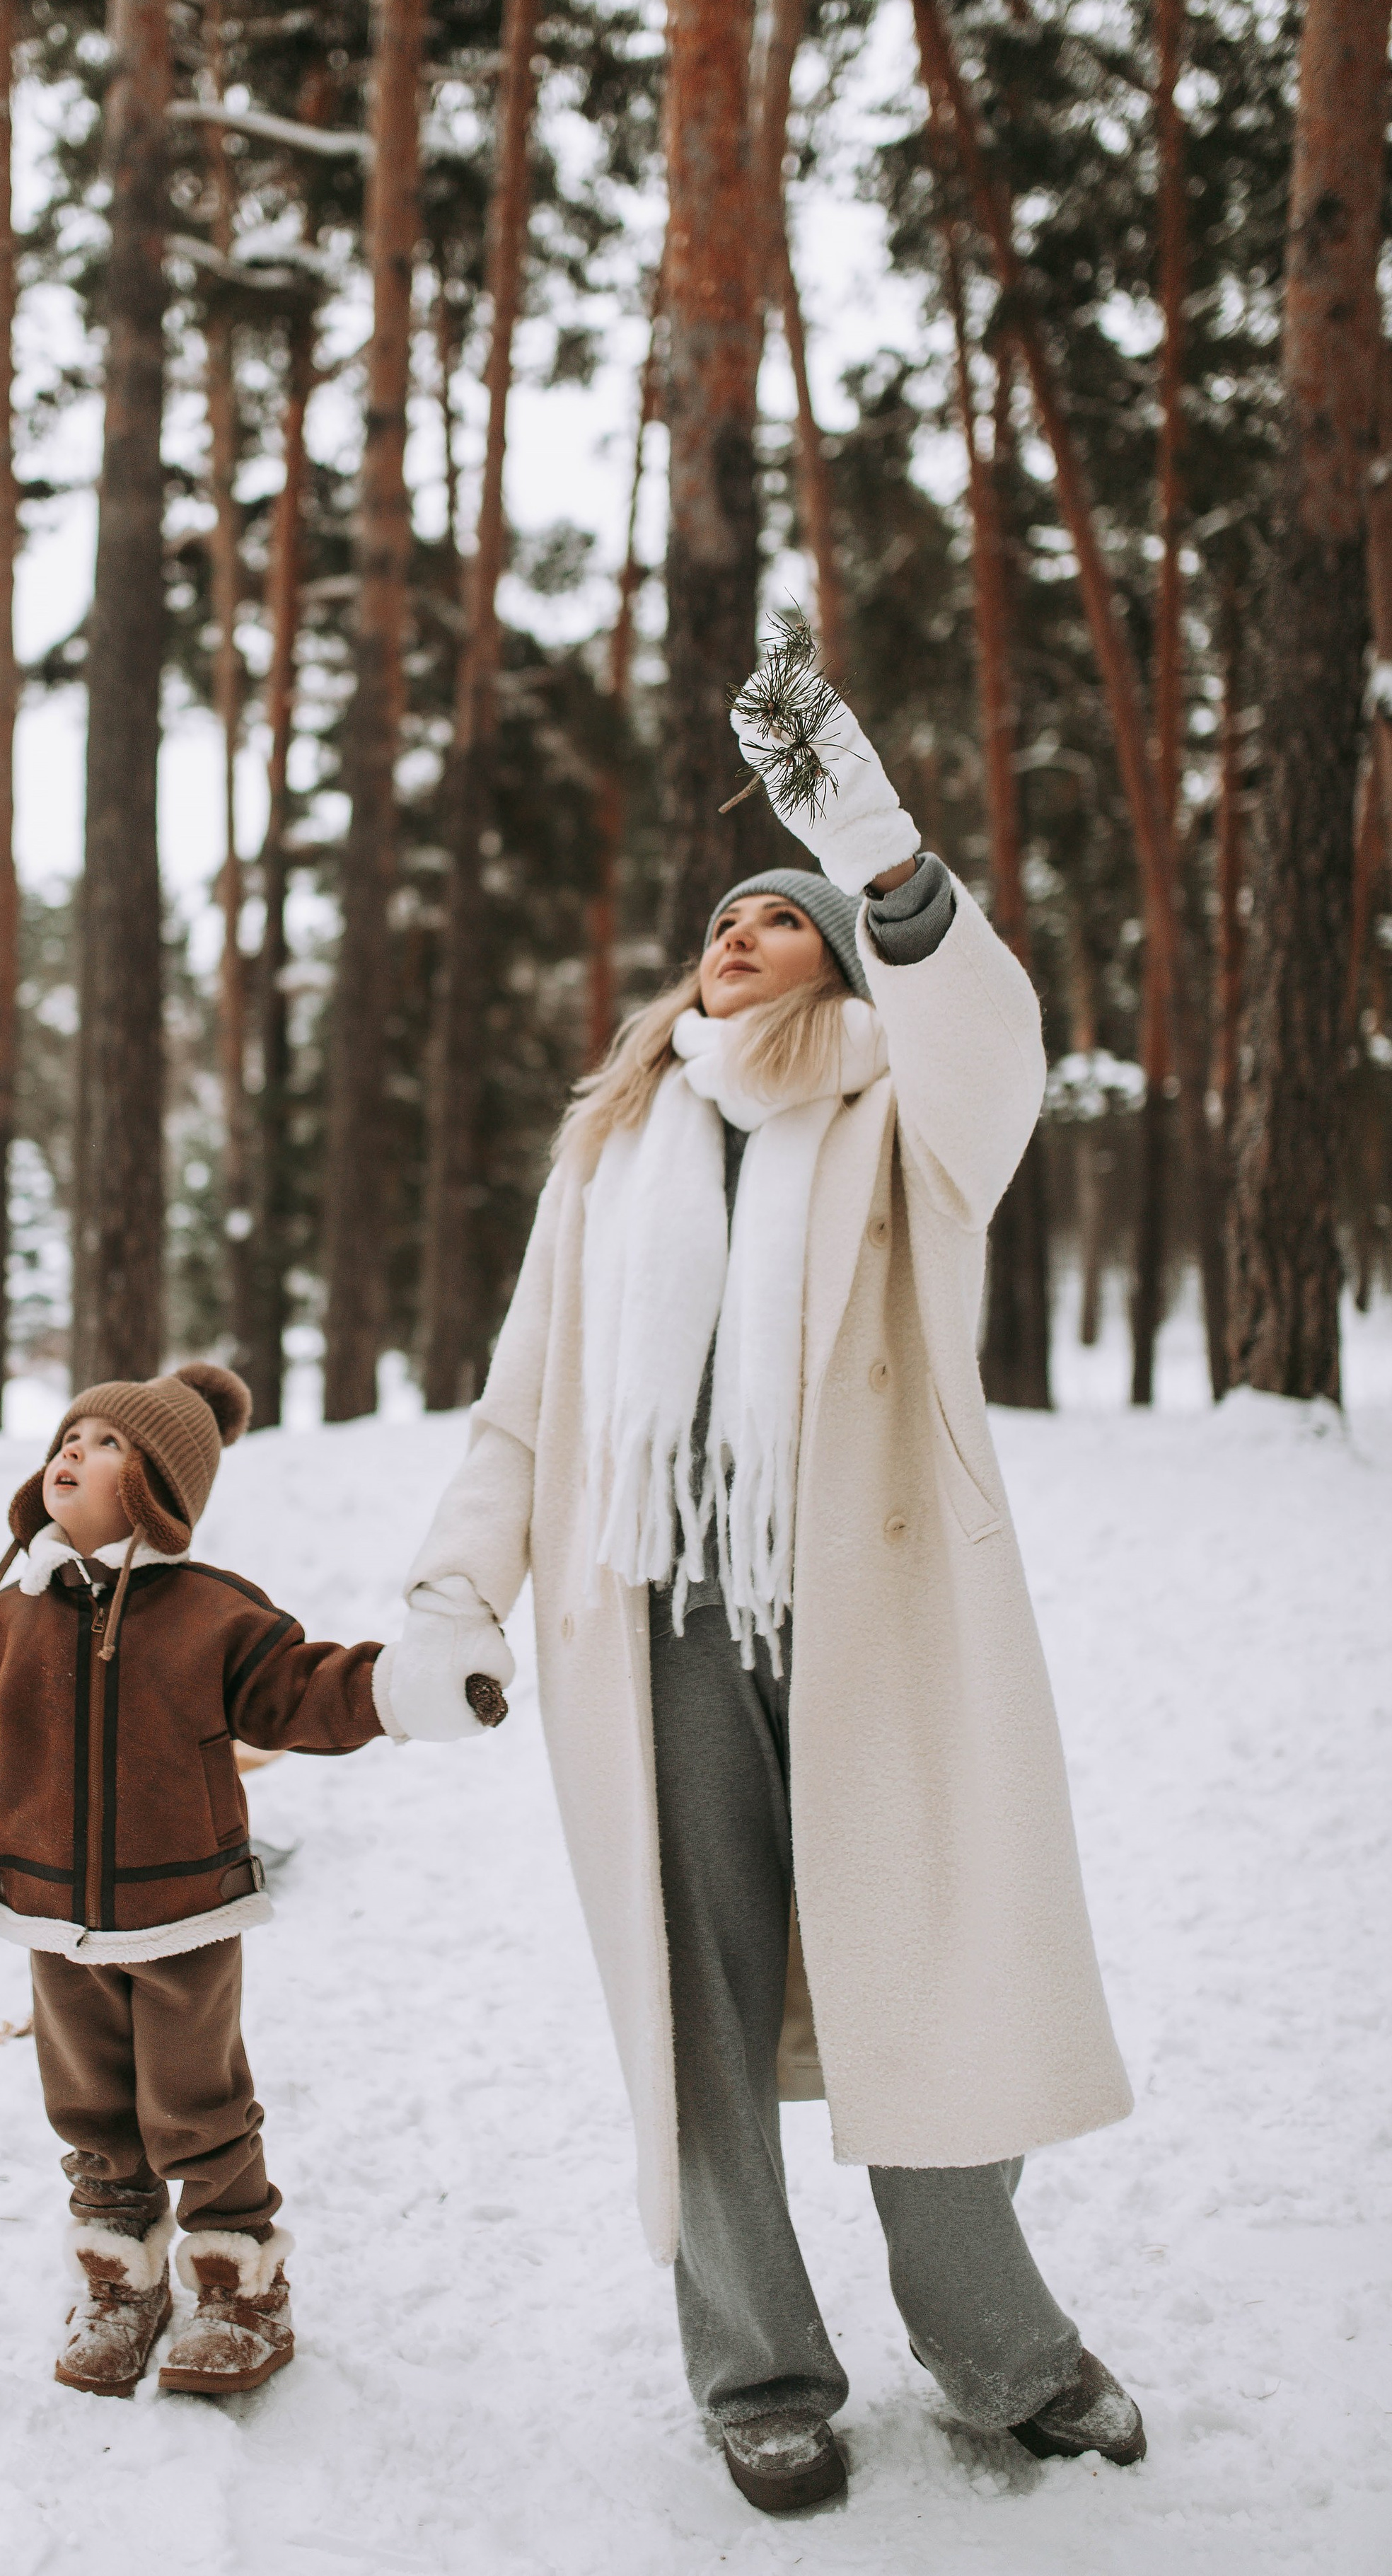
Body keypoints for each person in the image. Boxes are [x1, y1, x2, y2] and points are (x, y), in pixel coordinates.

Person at [391, 684, 1144, 2512]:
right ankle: (757, 2371)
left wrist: (877, 849)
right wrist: (448, 1598)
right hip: (656, 1618)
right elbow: (523, 1404)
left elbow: (994, 1040)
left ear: (836, 963)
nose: (739, 932)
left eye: (778, 912)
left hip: (873, 1620)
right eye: (725, 917)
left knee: (925, 1977)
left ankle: (1001, 2348)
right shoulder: (611, 1156)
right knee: (699, 2006)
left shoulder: (908, 1119)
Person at [0, 1361, 506, 2400]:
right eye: (69, 1437)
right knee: (91, 2115)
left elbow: (305, 1689)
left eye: (106, 1442)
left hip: (184, 1915)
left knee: (197, 2105)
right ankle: (120, 2279)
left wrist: (414, 1687)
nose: (73, 1450)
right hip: (49, 1922)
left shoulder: (209, 1614)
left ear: (158, 1482)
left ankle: (238, 2281)